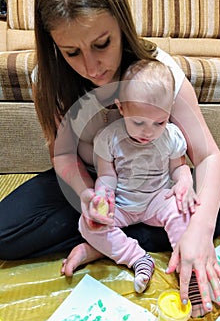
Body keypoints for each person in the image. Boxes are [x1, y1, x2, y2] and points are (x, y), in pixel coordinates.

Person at [0, 0, 220, 317]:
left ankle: (104, 245)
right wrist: (87, 195)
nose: (92, 68)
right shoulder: (48, 79)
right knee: (5, 233)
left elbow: (206, 155)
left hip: (153, 182)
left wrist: (201, 231)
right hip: (97, 180)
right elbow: (61, 153)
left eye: (102, 44)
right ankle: (113, 236)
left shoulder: (160, 72)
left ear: (122, 25)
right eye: (72, 52)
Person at [78, 59, 200, 298]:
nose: (148, 131)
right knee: (86, 224)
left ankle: (188, 269)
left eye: (159, 122)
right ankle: (138, 259)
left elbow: (179, 168)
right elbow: (106, 176)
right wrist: (102, 197)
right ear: (121, 108)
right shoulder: (109, 138)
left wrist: (185, 181)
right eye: (138, 122)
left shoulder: (171, 136)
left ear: (170, 110)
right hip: (123, 203)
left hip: (158, 200)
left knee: (184, 213)